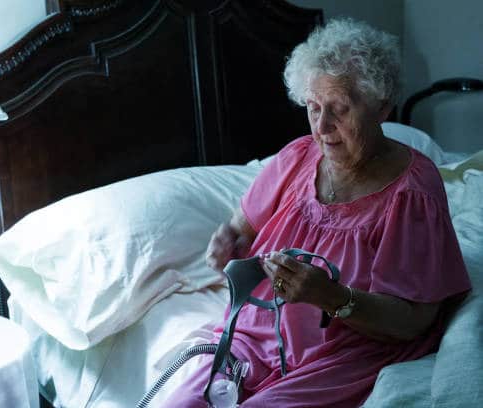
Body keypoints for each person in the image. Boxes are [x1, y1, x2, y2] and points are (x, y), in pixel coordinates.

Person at [164, 18, 471, 407]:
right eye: (313, 107)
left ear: (382, 107)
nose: (322, 127)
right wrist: (228, 240)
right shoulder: (296, 157)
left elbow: (413, 320)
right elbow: (242, 229)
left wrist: (329, 296)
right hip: (253, 337)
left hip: (344, 352)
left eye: (339, 109)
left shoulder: (413, 192)